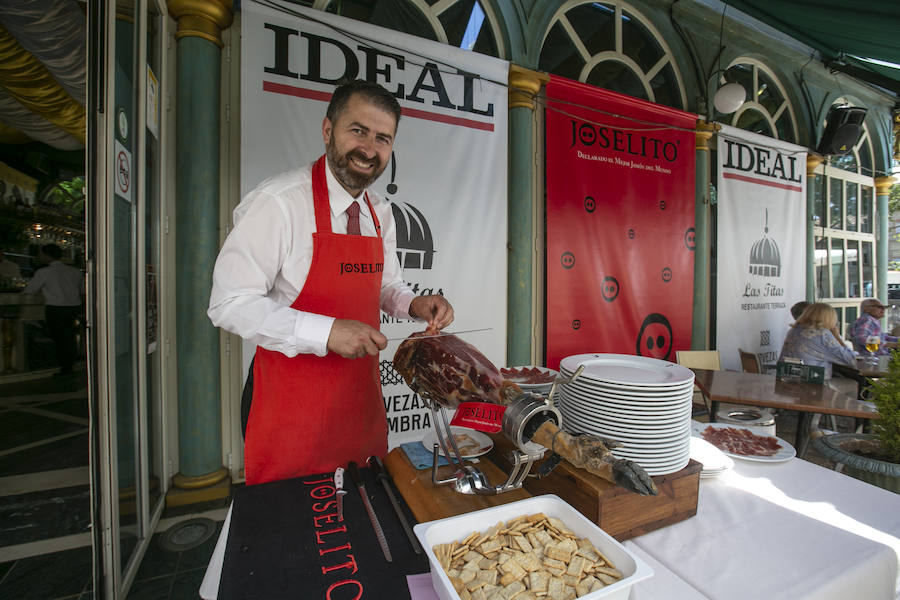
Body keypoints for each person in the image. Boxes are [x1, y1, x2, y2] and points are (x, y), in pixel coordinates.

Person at [208, 79, 454, 485]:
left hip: (359, 401)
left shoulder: (380, 213)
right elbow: (229, 301)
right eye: (357, 131)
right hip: (291, 409)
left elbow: (385, 283)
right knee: (297, 531)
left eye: (383, 138)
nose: (369, 149)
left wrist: (412, 304)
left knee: (364, 518)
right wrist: (326, 332)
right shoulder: (280, 203)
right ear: (328, 131)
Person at [22, 244, 84, 375]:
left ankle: (65, 368)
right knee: (69, 337)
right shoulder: (74, 271)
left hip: (55, 308)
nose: (40, 257)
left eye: (41, 254)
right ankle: (70, 365)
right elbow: (82, 291)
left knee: (60, 338)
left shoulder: (44, 272)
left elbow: (30, 290)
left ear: (47, 255)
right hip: (73, 308)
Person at [780, 303, 857, 380]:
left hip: (788, 379)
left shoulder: (794, 330)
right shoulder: (822, 334)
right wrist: (837, 337)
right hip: (812, 383)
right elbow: (851, 360)